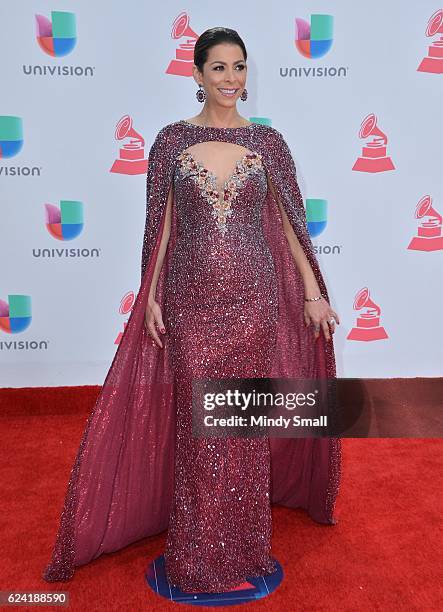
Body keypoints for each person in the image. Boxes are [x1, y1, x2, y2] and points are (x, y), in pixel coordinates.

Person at [43, 27, 341, 593]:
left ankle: (244, 548)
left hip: (255, 302)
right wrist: (151, 295)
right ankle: (198, 555)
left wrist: (311, 292)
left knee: (240, 426)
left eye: (240, 67)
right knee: (197, 428)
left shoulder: (270, 145)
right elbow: (161, 229)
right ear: (197, 75)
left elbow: (290, 225)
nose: (231, 79)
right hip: (190, 301)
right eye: (220, 68)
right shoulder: (170, 143)